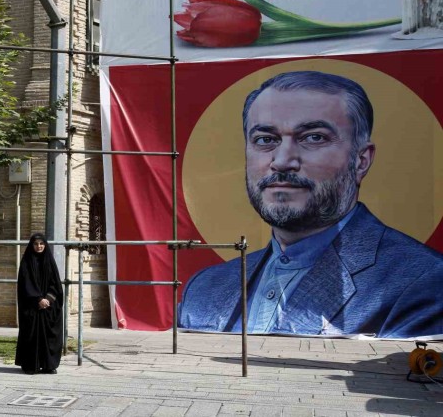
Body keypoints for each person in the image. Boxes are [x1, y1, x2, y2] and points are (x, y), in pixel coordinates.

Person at [178, 70, 443, 338]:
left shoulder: (425, 282)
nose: (282, 161)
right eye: (265, 140)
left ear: (361, 160)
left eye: (314, 137)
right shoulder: (203, 290)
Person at [15, 233, 64, 374]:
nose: (39, 246)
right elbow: (26, 284)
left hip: (48, 305)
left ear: (45, 245)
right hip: (32, 306)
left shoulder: (49, 261)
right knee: (32, 336)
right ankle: (31, 365)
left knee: (49, 336)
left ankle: (49, 365)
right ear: (32, 245)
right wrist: (38, 299)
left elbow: (56, 284)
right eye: (36, 244)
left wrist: (48, 299)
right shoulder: (26, 262)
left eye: (41, 244)